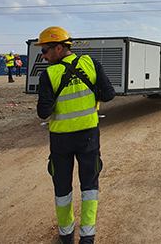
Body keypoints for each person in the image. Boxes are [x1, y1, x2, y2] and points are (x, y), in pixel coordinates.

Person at [36, 26, 115, 244]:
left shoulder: (49, 75)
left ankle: (66, 236)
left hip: (61, 140)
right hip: (88, 137)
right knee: (89, 186)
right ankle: (87, 237)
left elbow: (43, 112)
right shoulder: (91, 64)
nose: (42, 56)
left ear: (58, 48)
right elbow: (108, 95)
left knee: (62, 188)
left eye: (44, 50)